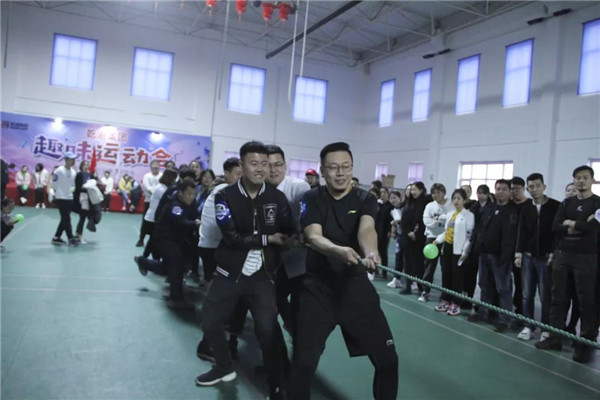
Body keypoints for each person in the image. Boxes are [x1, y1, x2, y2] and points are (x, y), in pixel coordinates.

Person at [289, 142, 398, 400]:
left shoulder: (365, 199)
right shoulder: (311, 198)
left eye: (346, 167)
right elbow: (313, 236)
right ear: (322, 170)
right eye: (334, 168)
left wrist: (371, 252)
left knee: (388, 361)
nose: (341, 173)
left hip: (354, 289)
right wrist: (338, 251)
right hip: (317, 291)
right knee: (303, 364)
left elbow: (366, 229)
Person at [195, 141, 293, 400]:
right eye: (254, 163)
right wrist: (268, 238)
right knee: (210, 321)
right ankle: (224, 367)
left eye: (265, 164)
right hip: (229, 272)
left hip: (263, 276)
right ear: (242, 165)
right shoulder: (225, 196)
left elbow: (288, 231)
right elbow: (231, 237)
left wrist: (294, 239)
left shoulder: (276, 197)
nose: (260, 169)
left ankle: (276, 387)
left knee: (268, 332)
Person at [537, 165, 600, 363]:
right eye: (577, 178)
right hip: (563, 255)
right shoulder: (566, 202)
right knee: (558, 297)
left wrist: (570, 223)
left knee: (586, 300)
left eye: (585, 177)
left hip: (587, 257)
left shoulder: (598, 203)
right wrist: (579, 225)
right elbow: (555, 226)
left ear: (592, 180)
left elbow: (593, 227)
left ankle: (586, 344)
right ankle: (555, 337)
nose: (581, 181)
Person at [137, 177, 201, 309]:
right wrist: (195, 224)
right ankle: (176, 298)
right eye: (189, 194)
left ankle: (143, 262)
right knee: (176, 264)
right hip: (164, 238)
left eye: (193, 194)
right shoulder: (174, 205)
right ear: (181, 193)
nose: (192, 197)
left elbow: (195, 215)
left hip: (176, 239)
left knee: (167, 268)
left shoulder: (190, 203)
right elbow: (181, 223)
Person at [514, 173, 560, 342]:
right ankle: (528, 326)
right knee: (527, 294)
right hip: (527, 257)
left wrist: (553, 253)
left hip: (545, 258)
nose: (534, 189)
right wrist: (518, 253)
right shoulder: (526, 207)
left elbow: (557, 233)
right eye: (531, 187)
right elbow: (521, 231)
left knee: (545, 295)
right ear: (528, 189)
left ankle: (545, 328)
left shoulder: (555, 206)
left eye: (537, 186)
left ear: (544, 187)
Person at [468, 179, 518, 332]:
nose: (500, 192)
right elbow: (480, 228)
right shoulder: (490, 207)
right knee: (484, 285)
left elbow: (511, 236)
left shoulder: (513, 210)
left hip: (500, 257)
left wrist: (506, 256)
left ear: (509, 191)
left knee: (503, 289)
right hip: (484, 254)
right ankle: (483, 312)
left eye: (504, 189)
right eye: (498, 189)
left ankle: (504, 319)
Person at [197, 158, 242, 283]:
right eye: (238, 174)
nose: (241, 178)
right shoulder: (225, 190)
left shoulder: (222, 188)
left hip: (209, 244)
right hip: (213, 246)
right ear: (227, 174)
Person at [432, 189, 474, 316]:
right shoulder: (450, 214)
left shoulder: (469, 215)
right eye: (454, 198)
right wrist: (438, 240)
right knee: (446, 275)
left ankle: (456, 303)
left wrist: (465, 252)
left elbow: (470, 236)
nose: (456, 201)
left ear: (464, 200)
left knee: (457, 278)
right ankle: (445, 300)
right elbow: (446, 232)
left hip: (459, 251)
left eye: (459, 198)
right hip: (447, 248)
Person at [421, 183, 454, 302]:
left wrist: (439, 219)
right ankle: (425, 291)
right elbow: (426, 221)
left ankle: (445, 295)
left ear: (443, 193)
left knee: (446, 268)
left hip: (446, 238)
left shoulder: (451, 205)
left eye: (438, 192)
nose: (436, 195)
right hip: (431, 237)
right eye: (433, 193)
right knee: (429, 266)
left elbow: (451, 221)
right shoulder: (430, 206)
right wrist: (439, 222)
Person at [463, 184, 494, 307]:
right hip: (473, 243)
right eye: (479, 193)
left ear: (488, 194)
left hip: (485, 246)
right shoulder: (473, 207)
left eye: (483, 193)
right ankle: (468, 298)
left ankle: (485, 304)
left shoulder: (492, 207)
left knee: (484, 278)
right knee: (470, 274)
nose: (480, 195)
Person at [399, 181, 427, 295]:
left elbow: (423, 221)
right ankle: (408, 285)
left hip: (419, 239)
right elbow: (404, 221)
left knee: (419, 263)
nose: (412, 192)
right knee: (408, 263)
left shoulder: (425, 203)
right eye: (411, 190)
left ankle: (421, 286)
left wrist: (417, 233)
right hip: (407, 238)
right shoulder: (408, 203)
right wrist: (408, 232)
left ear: (421, 190)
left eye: (415, 190)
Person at [511, 176, 530, 323]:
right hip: (507, 250)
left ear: (524, 189)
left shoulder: (529, 206)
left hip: (522, 252)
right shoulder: (509, 205)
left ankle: (520, 311)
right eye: (512, 189)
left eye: (517, 189)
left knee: (521, 283)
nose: (514, 192)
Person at [51, 152, 79, 246]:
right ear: (66, 160)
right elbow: (53, 184)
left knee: (64, 219)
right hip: (61, 197)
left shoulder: (73, 172)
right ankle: (70, 238)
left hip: (69, 197)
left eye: (74, 159)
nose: (73, 161)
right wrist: (57, 192)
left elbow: (73, 185)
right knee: (67, 218)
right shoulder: (59, 170)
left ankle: (56, 237)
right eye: (71, 159)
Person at [137, 160, 162, 246]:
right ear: (151, 167)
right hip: (149, 201)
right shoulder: (147, 176)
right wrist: (156, 195)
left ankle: (154, 240)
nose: (155, 167)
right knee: (145, 221)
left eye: (157, 165)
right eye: (153, 165)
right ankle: (141, 239)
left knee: (157, 222)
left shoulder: (162, 176)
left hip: (160, 203)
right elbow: (147, 188)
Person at [387, 187, 407, 289]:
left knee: (408, 259)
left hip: (408, 236)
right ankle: (397, 279)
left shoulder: (405, 208)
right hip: (400, 236)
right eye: (391, 198)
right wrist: (393, 229)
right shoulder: (393, 211)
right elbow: (395, 224)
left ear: (400, 198)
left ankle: (413, 282)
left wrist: (398, 222)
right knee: (398, 257)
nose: (393, 200)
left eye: (395, 197)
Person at [73, 161, 94, 242]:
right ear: (81, 166)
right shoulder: (79, 175)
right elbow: (78, 187)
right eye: (84, 165)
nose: (86, 166)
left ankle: (78, 234)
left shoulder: (90, 175)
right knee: (82, 217)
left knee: (83, 217)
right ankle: (79, 235)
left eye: (87, 165)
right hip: (80, 199)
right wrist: (86, 187)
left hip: (88, 199)